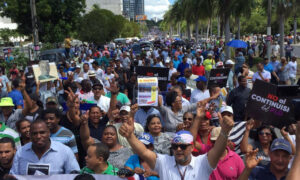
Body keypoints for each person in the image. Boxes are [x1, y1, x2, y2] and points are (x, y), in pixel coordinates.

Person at [119, 105, 235, 180]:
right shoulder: (164, 162)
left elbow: (218, 150)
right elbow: (144, 151)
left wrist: (224, 131)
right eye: (175, 146)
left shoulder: (203, 162)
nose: (178, 149)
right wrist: (130, 136)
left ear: (191, 147)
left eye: (183, 146)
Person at [10, 120, 80, 175]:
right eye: (34, 133)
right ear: (30, 135)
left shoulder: (65, 151)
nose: (38, 136)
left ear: (49, 133)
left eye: (42, 132)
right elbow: (14, 175)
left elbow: (74, 175)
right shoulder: (21, 152)